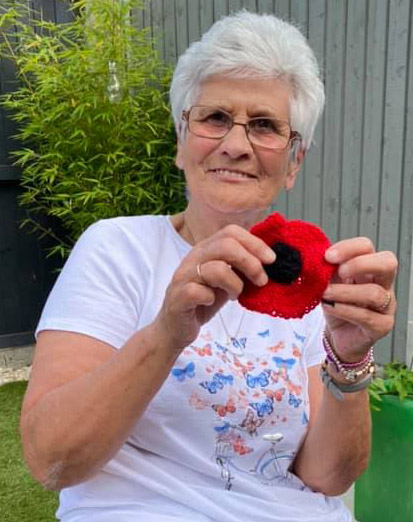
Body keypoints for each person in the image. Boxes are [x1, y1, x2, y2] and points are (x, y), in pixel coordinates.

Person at [21, 11, 397, 522]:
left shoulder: (309, 284)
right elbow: (53, 460)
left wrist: (349, 358)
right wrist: (167, 332)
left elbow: (325, 477)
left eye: (265, 126)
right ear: (180, 141)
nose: (236, 144)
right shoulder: (117, 249)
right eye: (214, 117)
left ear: (294, 162)